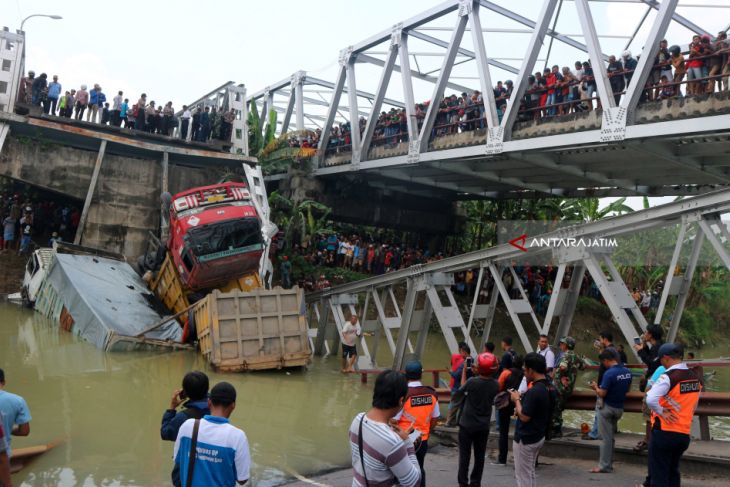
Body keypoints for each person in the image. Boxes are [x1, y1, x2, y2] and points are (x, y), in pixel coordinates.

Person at [349, 370, 421, 487]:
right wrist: (407, 443)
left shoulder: (358, 419)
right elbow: (413, 482)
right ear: (401, 400)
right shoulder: (392, 442)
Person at [644, 343, 701, 487]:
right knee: (673, 472)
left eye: (661, 359)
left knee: (659, 475)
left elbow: (650, 398)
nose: (661, 362)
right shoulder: (694, 377)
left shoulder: (668, 377)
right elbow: (693, 404)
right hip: (683, 434)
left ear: (666, 358)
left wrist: (662, 412)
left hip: (665, 432)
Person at [173, 382, 250, 486]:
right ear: (233, 406)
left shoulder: (188, 426)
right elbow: (242, 479)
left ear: (209, 403)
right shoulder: (237, 436)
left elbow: (178, 460)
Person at [452, 352, 498, 487]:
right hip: (483, 426)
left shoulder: (472, 381)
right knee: (479, 457)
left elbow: (459, 392)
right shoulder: (495, 384)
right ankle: (475, 483)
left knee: (464, 456)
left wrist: (468, 373)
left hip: (466, 424)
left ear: (479, 367)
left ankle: (463, 483)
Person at [510, 353, 553, 487]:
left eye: (525, 370)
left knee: (523, 477)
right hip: (538, 435)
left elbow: (524, 416)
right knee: (529, 473)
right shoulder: (549, 386)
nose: (524, 373)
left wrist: (516, 399)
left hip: (526, 438)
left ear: (531, 370)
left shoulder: (535, 391)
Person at [395, 361, 439, 487]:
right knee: (419, 467)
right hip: (423, 438)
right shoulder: (431, 393)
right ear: (421, 374)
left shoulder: (404, 394)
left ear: (406, 375)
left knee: (403, 472)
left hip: (405, 438)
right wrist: (426, 431)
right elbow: (435, 418)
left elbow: (394, 420)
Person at [162, 371, 211, 487]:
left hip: (187, 476)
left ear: (185, 392)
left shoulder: (183, 418)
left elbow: (165, 433)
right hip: (210, 471)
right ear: (207, 388)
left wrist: (172, 408)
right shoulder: (217, 409)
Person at [589, 350, 632, 473]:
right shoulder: (627, 372)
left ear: (606, 360)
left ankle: (604, 466)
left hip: (607, 408)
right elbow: (627, 389)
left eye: (603, 362)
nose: (604, 364)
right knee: (610, 437)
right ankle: (609, 463)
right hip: (619, 408)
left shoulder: (609, 373)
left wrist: (595, 387)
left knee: (604, 438)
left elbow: (602, 393)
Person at [551, 336, 583, 438]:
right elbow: (582, 367)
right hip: (568, 389)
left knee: (556, 409)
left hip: (560, 388)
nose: (560, 345)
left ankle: (556, 431)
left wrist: (562, 375)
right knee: (559, 409)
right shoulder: (576, 356)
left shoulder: (565, 356)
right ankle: (556, 430)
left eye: (562, 343)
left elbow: (563, 367)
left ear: (566, 345)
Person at [496, 354, 524, 465]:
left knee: (503, 432)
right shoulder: (524, 375)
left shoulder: (506, 373)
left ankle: (502, 459)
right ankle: (519, 460)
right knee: (520, 431)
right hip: (519, 404)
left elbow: (498, 386)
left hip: (505, 404)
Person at [0, 369, 32, 458]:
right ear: (3, 382)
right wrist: (7, 428)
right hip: (3, 458)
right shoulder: (18, 401)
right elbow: (24, 431)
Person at [446, 342, 472, 427]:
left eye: (461, 352)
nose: (460, 354)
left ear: (464, 351)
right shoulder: (471, 360)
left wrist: (450, 372)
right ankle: (457, 422)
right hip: (465, 387)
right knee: (462, 405)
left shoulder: (467, 361)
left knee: (454, 404)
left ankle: (449, 422)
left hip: (459, 387)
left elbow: (457, 375)